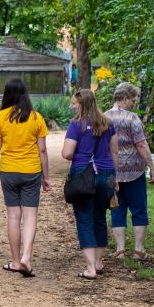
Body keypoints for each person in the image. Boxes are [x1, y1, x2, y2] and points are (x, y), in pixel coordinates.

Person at [0, 78, 50, 277]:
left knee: (14, 216)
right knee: (31, 215)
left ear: (6, 94)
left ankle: (16, 261)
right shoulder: (36, 118)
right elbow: (42, 150)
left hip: (9, 171)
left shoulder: (1, 117)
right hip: (32, 171)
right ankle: (26, 257)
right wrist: (45, 176)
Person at [62, 88, 119, 280]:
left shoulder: (76, 125)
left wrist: (80, 153)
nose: (72, 106)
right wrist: (115, 178)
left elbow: (67, 153)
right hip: (107, 174)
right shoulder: (108, 124)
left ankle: (90, 268)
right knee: (100, 217)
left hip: (83, 174)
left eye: (75, 103)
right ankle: (98, 262)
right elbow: (114, 152)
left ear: (82, 104)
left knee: (85, 219)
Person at [106, 82, 154, 261]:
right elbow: (141, 144)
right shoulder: (132, 118)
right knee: (139, 209)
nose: (134, 103)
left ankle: (120, 249)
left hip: (112, 172)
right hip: (134, 172)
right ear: (125, 98)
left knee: (117, 209)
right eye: (133, 99)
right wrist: (151, 167)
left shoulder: (103, 117)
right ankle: (138, 249)